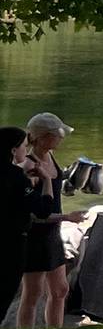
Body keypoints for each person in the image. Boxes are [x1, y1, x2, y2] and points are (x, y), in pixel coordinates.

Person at [16, 113, 86, 328]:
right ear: (44, 137)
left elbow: (55, 189)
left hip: (52, 234)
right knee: (33, 293)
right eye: (58, 134)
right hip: (35, 236)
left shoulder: (50, 157)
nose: (61, 139)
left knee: (60, 290)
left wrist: (76, 177)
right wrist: (67, 217)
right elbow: (34, 214)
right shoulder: (30, 168)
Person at [2, 126, 55, 317]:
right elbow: (43, 210)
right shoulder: (15, 176)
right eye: (24, 146)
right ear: (13, 150)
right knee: (5, 292)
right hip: (12, 244)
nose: (27, 150)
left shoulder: (17, 177)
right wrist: (47, 180)